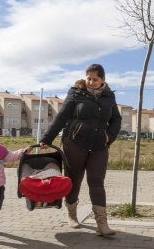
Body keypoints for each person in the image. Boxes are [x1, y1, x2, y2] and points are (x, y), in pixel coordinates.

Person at [40, 63, 122, 236]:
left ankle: (102, 224)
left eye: (95, 79)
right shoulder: (76, 93)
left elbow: (116, 120)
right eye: (89, 78)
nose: (91, 82)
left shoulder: (109, 97)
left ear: (103, 80)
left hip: (99, 145)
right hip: (74, 143)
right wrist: (47, 139)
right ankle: (72, 215)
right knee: (74, 179)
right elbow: (61, 117)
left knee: (96, 181)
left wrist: (109, 136)